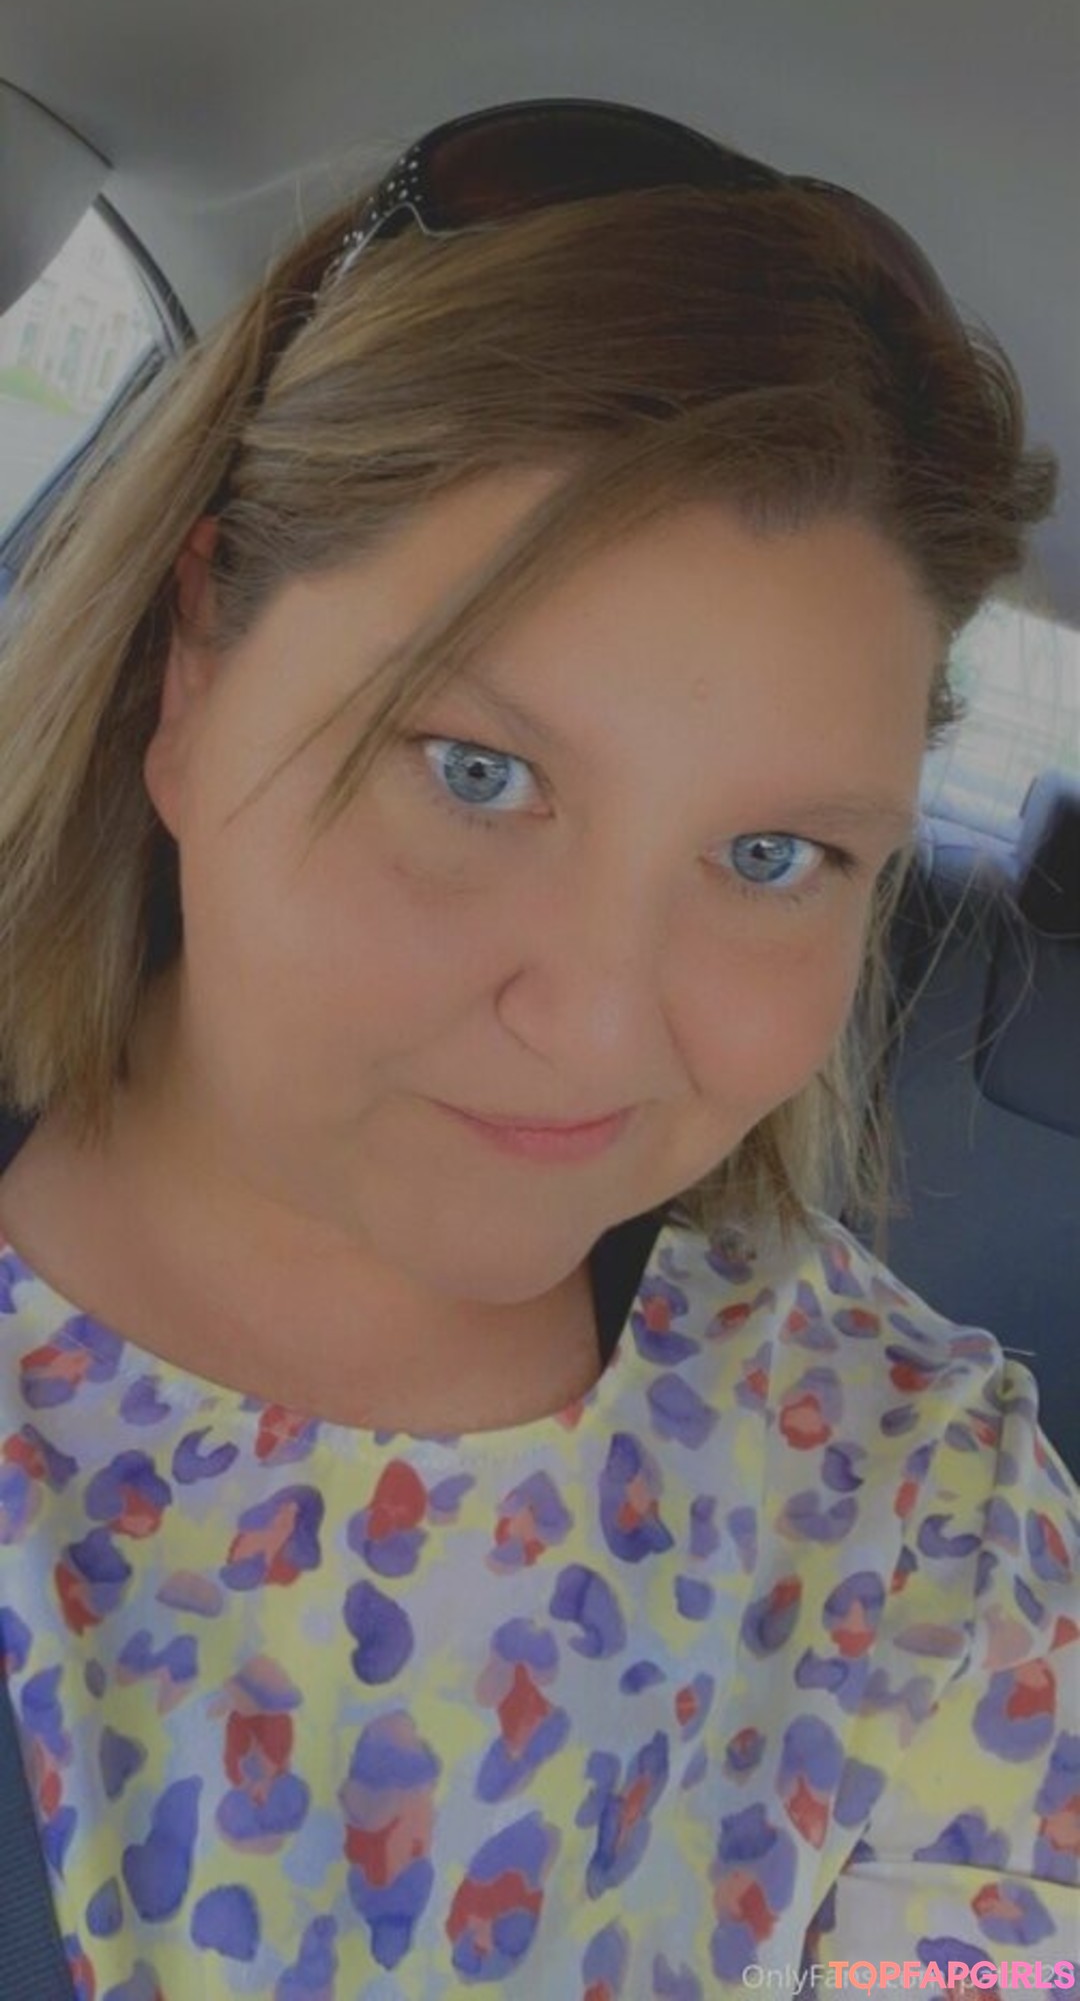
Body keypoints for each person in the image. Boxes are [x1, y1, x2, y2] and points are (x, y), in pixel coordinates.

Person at [0, 99, 1075, 1998]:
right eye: (476, 771)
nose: (593, 1020)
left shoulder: (926, 1517)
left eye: (773, 855)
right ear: (195, 665)